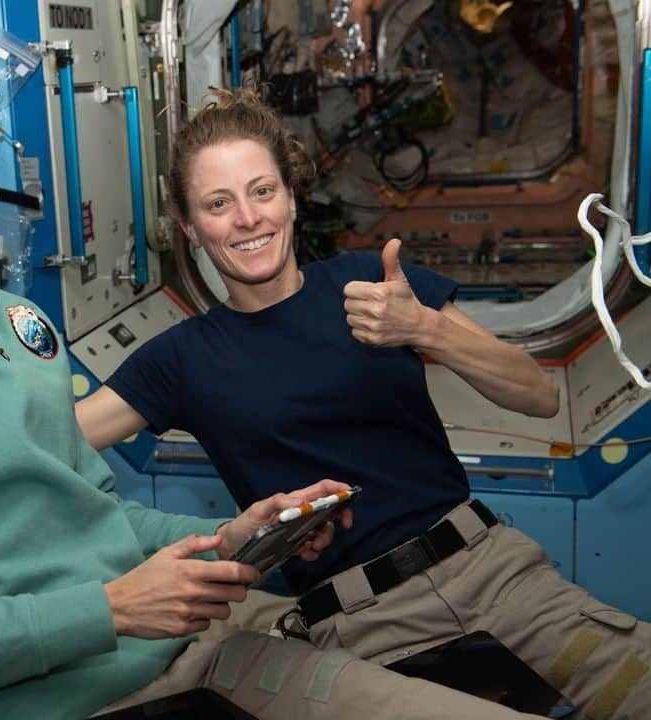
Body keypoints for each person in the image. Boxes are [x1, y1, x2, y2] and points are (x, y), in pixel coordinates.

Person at [0, 70, 557, 720]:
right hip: (72, 694)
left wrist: (232, 536)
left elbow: (90, 513)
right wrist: (111, 609)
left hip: (200, 646)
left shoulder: (14, 325)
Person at [76, 88, 651, 719]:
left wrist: (426, 329)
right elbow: (52, 447)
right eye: (218, 203)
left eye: (262, 191)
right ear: (190, 228)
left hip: (499, 577)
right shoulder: (180, 359)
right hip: (360, 625)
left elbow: (537, 395)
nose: (247, 218)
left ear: (291, 199)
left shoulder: (374, 286)